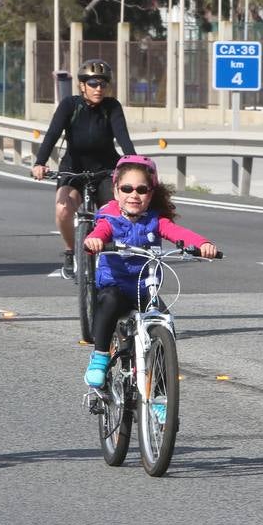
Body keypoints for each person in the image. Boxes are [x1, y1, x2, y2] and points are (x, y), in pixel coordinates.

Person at [81, 155, 217, 388]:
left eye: (142, 189)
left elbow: (178, 233)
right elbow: (99, 233)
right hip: (116, 286)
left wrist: (202, 244)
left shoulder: (155, 221)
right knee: (109, 302)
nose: (134, 194)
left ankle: (163, 394)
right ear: (116, 192)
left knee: (165, 324)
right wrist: (93, 241)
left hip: (145, 289)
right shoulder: (110, 219)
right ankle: (100, 358)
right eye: (127, 188)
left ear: (150, 194)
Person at [31, 58, 136, 279]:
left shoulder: (112, 107)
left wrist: (133, 163)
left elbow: (123, 138)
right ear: (82, 86)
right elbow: (52, 134)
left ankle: (110, 256)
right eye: (93, 84)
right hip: (73, 169)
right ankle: (71, 251)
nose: (99, 89)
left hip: (105, 170)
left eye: (103, 84)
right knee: (63, 210)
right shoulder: (70, 105)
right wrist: (40, 162)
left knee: (113, 213)